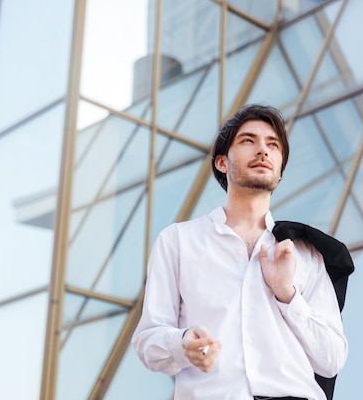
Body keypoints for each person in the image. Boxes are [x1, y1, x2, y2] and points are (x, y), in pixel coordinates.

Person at [131, 104, 349, 400]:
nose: (263, 150)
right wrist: (183, 344)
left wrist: (288, 295)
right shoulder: (178, 241)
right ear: (222, 162)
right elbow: (148, 340)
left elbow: (332, 359)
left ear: (280, 168)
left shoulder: (306, 253)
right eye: (248, 141)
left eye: (273, 145)